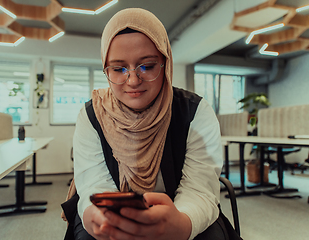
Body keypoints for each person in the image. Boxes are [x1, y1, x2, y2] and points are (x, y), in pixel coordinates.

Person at [62, 8, 233, 240]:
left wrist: (180, 224)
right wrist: (100, 217)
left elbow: (199, 190)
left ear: (166, 63)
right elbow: (94, 186)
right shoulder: (92, 114)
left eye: (147, 66)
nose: (132, 80)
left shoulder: (195, 112)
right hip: (113, 214)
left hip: (181, 211)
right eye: (118, 69)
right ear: (106, 69)